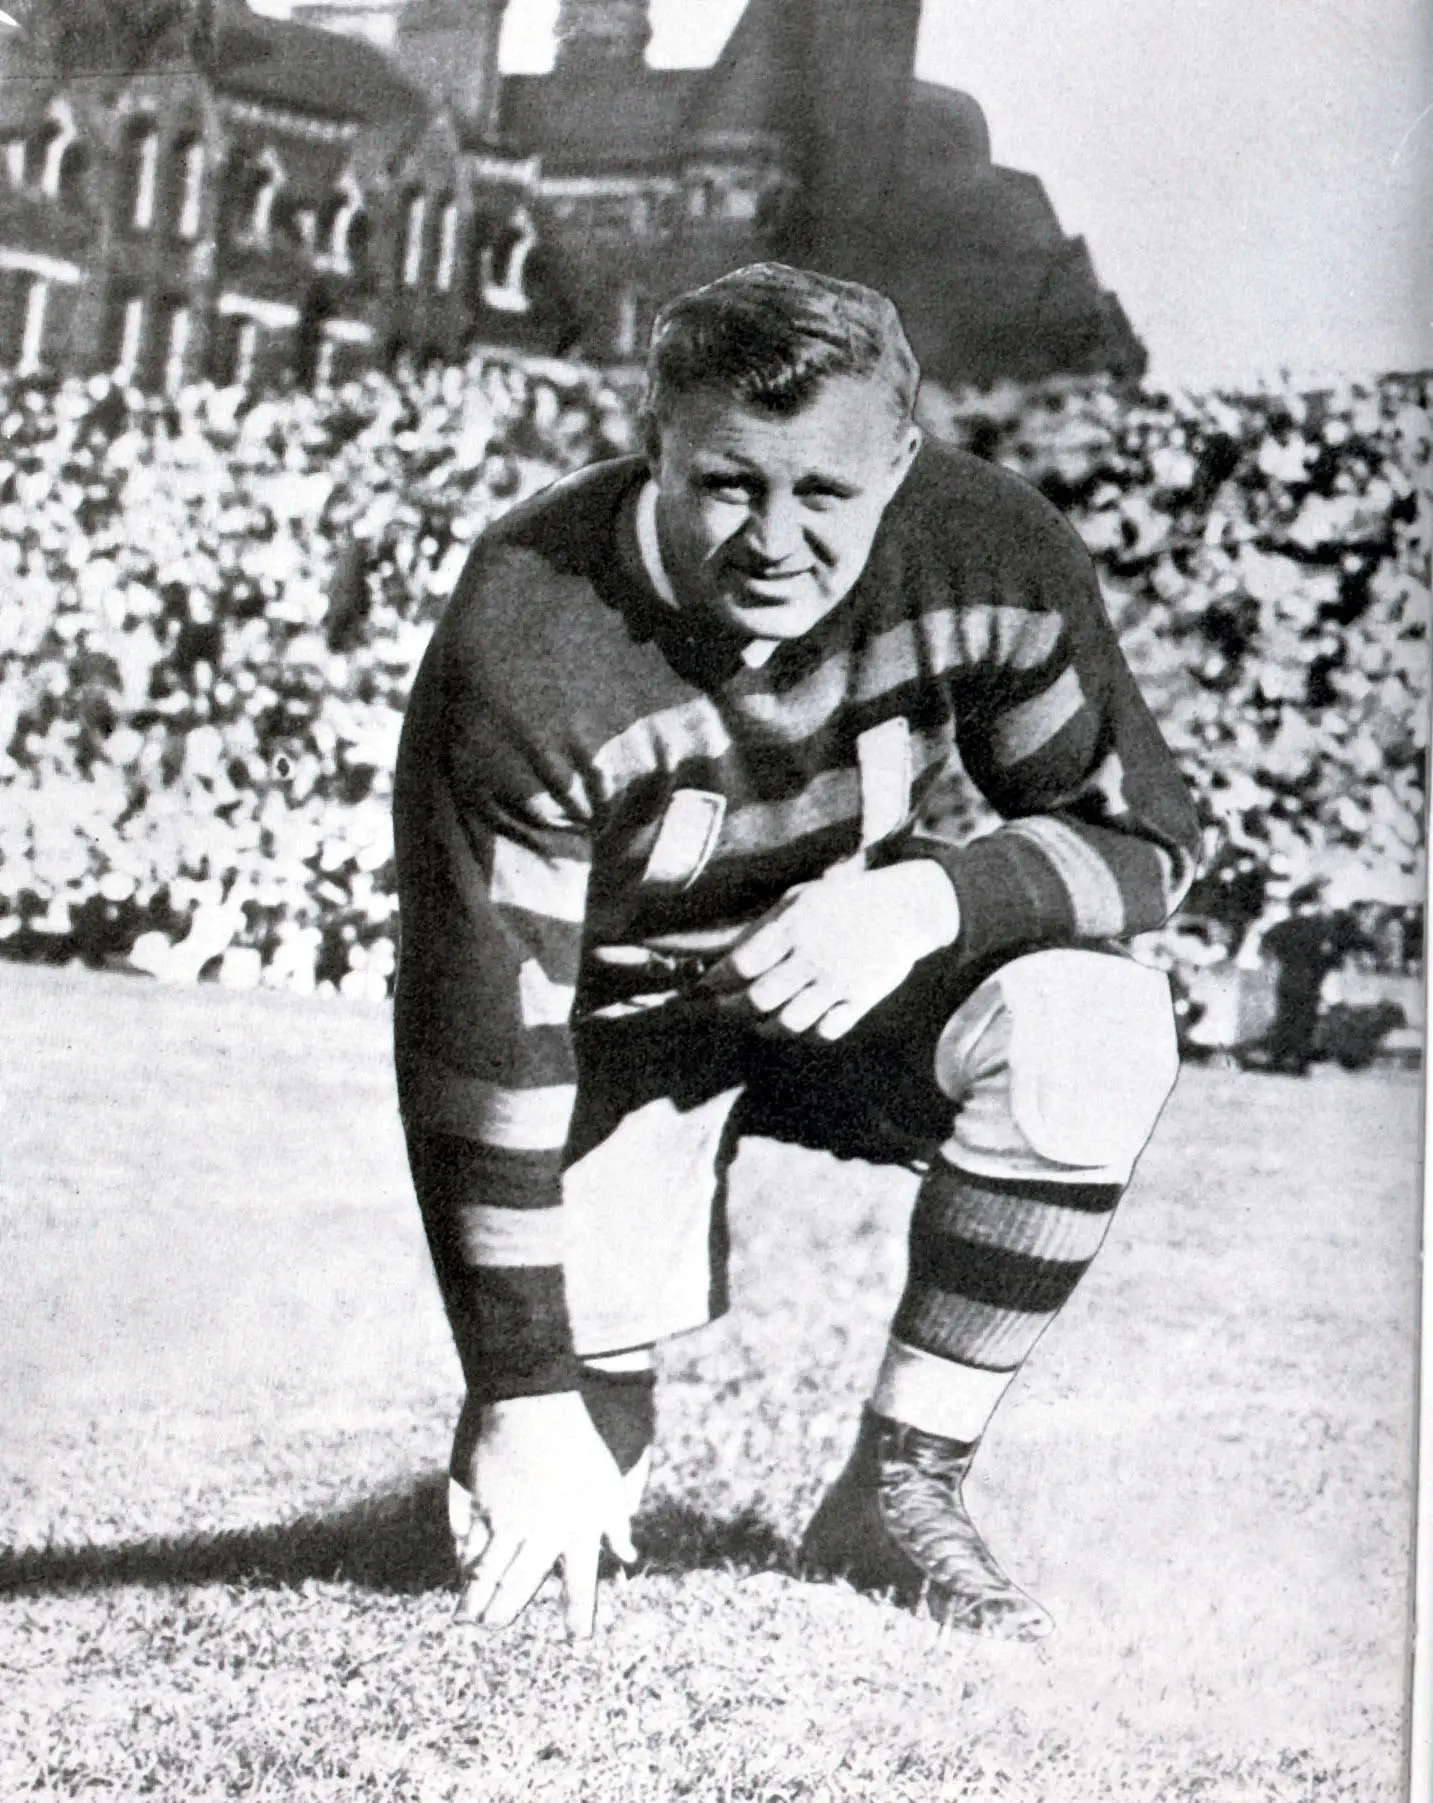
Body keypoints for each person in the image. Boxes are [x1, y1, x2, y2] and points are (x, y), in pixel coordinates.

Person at [392, 263, 1201, 1646]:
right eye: (728, 482)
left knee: (1098, 1020)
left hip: (846, 987)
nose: (775, 537)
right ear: (653, 444)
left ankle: (898, 1486)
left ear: (900, 461)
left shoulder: (983, 544)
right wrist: (523, 1391)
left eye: (823, 491)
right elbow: (484, 1042)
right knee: (549, 1525)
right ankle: (547, 1405)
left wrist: (921, 905)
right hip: (618, 1032)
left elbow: (1144, 842)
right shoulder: (532, 625)